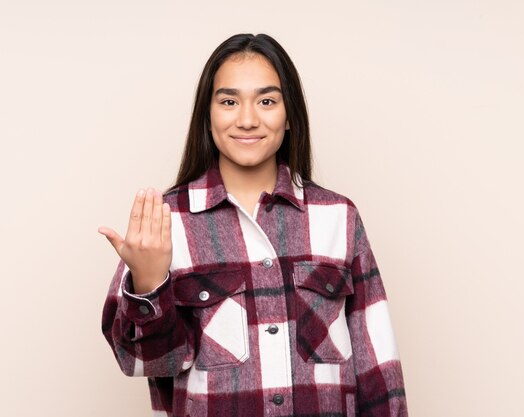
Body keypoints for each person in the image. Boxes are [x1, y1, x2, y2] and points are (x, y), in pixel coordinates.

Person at [99, 33, 408, 417]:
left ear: (289, 114)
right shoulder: (167, 221)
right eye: (229, 101)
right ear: (207, 115)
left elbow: (378, 368)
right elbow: (143, 363)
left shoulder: (338, 217)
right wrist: (148, 287)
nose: (247, 119)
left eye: (266, 101)